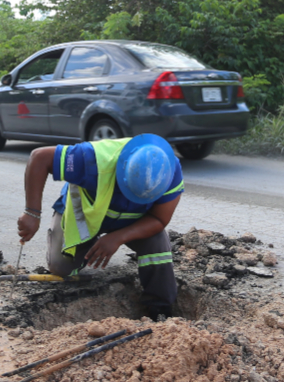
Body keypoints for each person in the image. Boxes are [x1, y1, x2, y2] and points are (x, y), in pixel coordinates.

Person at [18, 133, 184, 318]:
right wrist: (32, 213)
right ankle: (84, 246)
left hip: (131, 221)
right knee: (60, 268)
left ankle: (159, 308)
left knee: (157, 244)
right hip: (84, 217)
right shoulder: (91, 159)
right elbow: (40, 157)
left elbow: (160, 220)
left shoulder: (170, 172)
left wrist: (117, 237)